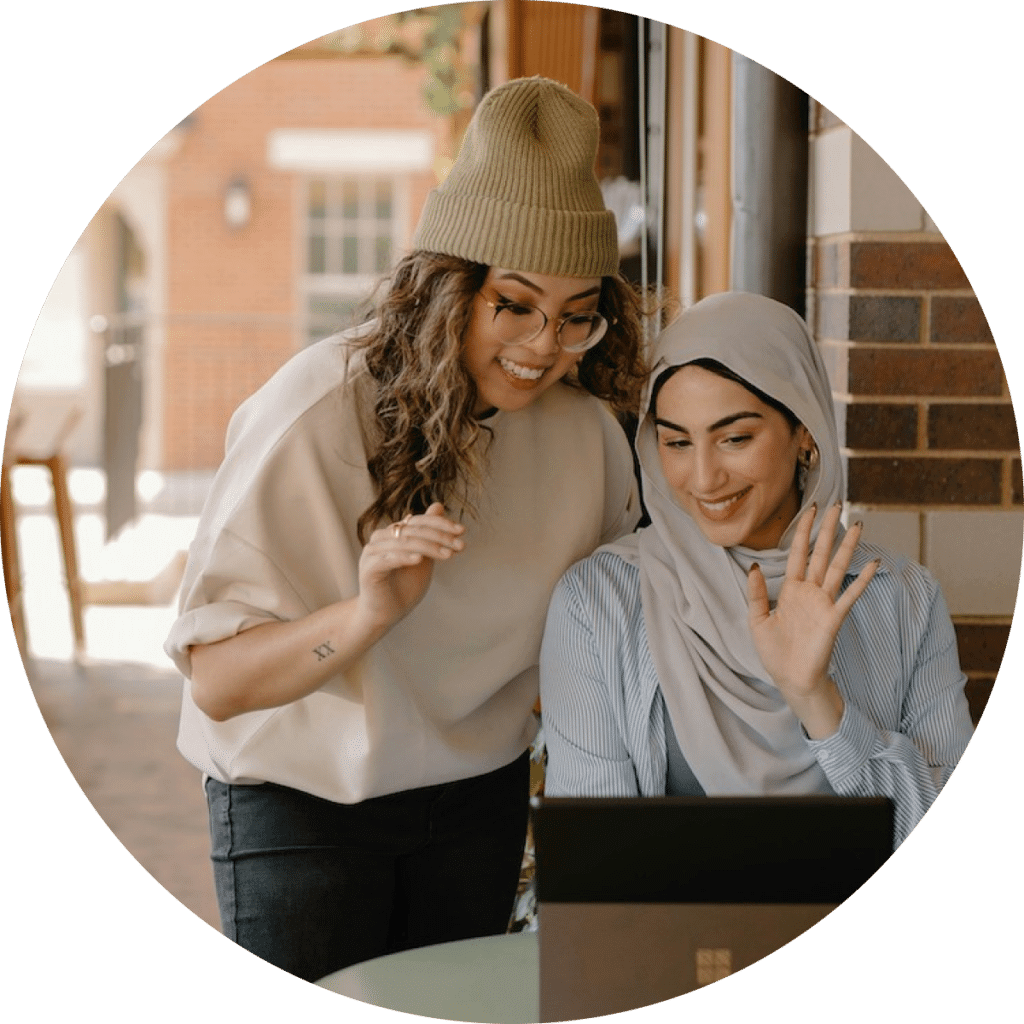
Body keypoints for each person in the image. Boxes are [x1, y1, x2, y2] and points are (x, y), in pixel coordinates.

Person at [164, 77, 649, 981]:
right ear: (446, 288)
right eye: (514, 304)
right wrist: (366, 616)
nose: (546, 346)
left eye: (577, 315)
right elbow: (218, 682)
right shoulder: (317, 410)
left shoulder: (588, 440)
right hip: (302, 804)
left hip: (478, 804)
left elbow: (599, 642)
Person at [539, 291, 973, 847]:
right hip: (666, 935)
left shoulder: (903, 599)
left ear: (806, 432)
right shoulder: (598, 602)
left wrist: (815, 696)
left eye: (735, 438)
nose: (703, 478)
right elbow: (593, 858)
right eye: (676, 441)